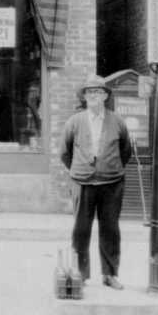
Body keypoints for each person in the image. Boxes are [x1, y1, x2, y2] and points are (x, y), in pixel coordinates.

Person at [59, 74, 132, 290]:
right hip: (82, 183)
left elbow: (125, 151)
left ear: (105, 96)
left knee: (110, 229)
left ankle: (109, 274)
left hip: (112, 183)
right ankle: (80, 274)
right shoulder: (74, 122)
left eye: (97, 92)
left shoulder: (118, 122)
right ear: (84, 96)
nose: (92, 95)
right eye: (89, 92)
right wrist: (81, 169)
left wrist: (108, 169)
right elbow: (65, 152)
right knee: (81, 229)